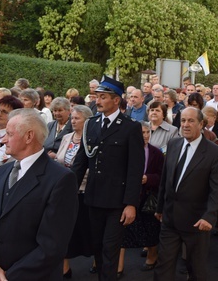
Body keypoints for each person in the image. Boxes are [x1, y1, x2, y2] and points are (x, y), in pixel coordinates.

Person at [0, 108, 78, 281]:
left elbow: (52, 245)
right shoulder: (3, 171)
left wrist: (6, 277)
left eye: (9, 133)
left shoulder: (61, 179)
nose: (3, 139)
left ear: (29, 136)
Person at [71, 76, 144, 281]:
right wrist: (67, 191)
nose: (98, 101)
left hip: (117, 202)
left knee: (110, 249)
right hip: (93, 198)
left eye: (103, 97)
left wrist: (131, 203)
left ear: (116, 100)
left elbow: (135, 169)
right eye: (97, 97)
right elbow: (80, 163)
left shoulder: (130, 127)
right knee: (96, 246)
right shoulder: (91, 125)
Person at [153, 107, 218, 281]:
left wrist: (210, 216)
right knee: (163, 265)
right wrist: (160, 207)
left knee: (196, 269)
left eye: (191, 121)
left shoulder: (214, 152)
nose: (185, 125)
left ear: (201, 124)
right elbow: (165, 178)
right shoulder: (173, 144)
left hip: (197, 222)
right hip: (169, 219)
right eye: (183, 120)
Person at [119, 122, 164, 274]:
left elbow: (162, 176)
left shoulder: (156, 153)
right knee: (123, 231)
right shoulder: (125, 151)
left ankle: (152, 257)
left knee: (151, 229)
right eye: (142, 132)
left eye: (147, 132)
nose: (145, 136)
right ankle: (118, 266)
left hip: (148, 197)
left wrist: (148, 178)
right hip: (128, 196)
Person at [55, 104, 94, 278]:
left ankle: (96, 259)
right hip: (66, 191)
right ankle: (65, 267)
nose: (73, 121)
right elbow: (59, 159)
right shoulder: (67, 137)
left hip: (86, 191)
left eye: (77, 118)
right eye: (72, 118)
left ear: (87, 121)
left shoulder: (93, 140)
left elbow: (92, 167)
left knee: (88, 231)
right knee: (65, 230)